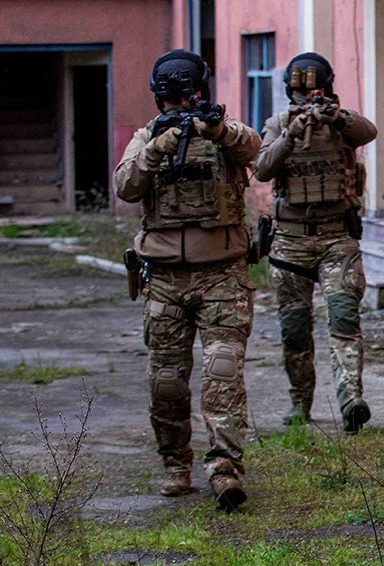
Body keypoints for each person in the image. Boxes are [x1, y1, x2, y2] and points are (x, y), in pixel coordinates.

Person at [114, 49, 260, 510]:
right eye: (172, 99)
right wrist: (158, 148)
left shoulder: (224, 131)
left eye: (186, 97)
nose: (179, 106)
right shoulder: (146, 138)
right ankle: (175, 464)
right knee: (167, 381)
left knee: (222, 372)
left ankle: (225, 469)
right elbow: (125, 186)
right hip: (165, 281)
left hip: (222, 275)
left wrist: (217, 130)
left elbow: (256, 150)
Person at [253, 52, 378, 433]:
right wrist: (290, 136)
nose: (308, 100)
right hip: (290, 243)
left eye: (315, 92)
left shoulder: (342, 123)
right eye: (302, 94)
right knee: (294, 330)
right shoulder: (277, 124)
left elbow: (368, 132)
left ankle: (351, 400)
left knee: (343, 318)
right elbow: (262, 169)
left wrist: (336, 117)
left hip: (336, 238)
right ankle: (299, 403)